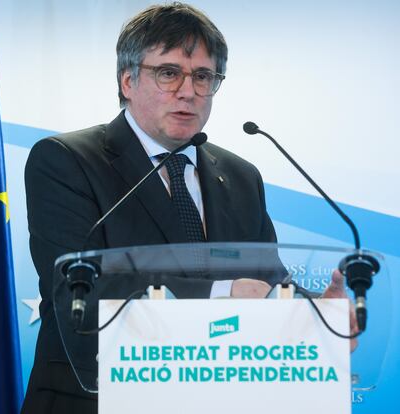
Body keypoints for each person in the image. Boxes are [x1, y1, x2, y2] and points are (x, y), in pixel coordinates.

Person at [21, 3, 355, 413]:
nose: (188, 91)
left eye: (203, 76)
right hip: (96, 398)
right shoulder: (65, 160)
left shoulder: (239, 175)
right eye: (168, 72)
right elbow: (77, 292)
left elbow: (266, 281)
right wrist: (221, 293)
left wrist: (316, 316)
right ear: (128, 80)